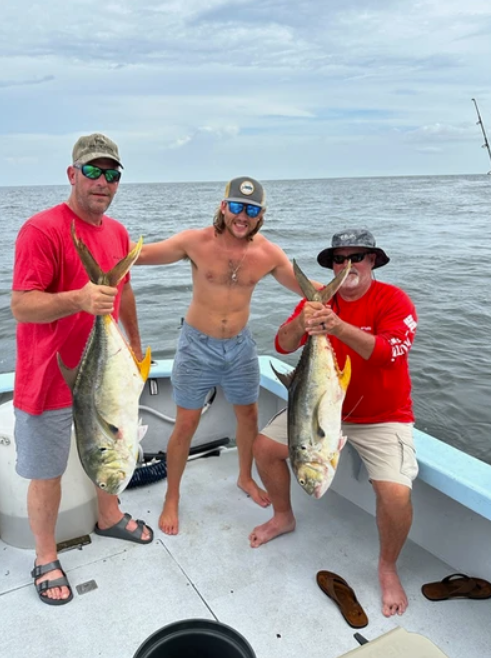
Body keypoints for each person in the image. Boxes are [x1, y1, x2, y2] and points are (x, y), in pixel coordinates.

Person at [11, 133, 153, 606]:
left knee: (109, 445)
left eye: (112, 173)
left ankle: (109, 516)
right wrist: (78, 299)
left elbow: (124, 293)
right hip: (49, 376)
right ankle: (45, 556)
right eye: (92, 171)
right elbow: (21, 306)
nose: (102, 181)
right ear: (72, 174)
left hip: (105, 369)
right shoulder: (41, 230)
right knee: (46, 472)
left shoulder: (115, 234)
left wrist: (134, 345)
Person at [249, 228, 418, 618]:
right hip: (320, 407)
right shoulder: (316, 300)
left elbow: (389, 353)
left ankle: (387, 567)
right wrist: (305, 322)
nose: (348, 266)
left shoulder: (394, 300)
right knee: (264, 447)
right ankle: (283, 516)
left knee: (395, 495)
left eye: (357, 257)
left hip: (381, 416)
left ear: (373, 260)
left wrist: (337, 327)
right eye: (340, 259)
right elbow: (283, 344)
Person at [135, 177, 308, 535]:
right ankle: (172, 497)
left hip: (241, 346)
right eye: (237, 206)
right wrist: (100, 246)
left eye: (252, 210)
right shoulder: (194, 242)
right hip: (197, 346)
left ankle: (245, 477)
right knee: (185, 423)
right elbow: (140, 255)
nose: (243, 216)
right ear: (223, 206)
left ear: (261, 216)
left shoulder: (268, 254)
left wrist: (355, 288)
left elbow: (308, 289)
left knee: (249, 414)